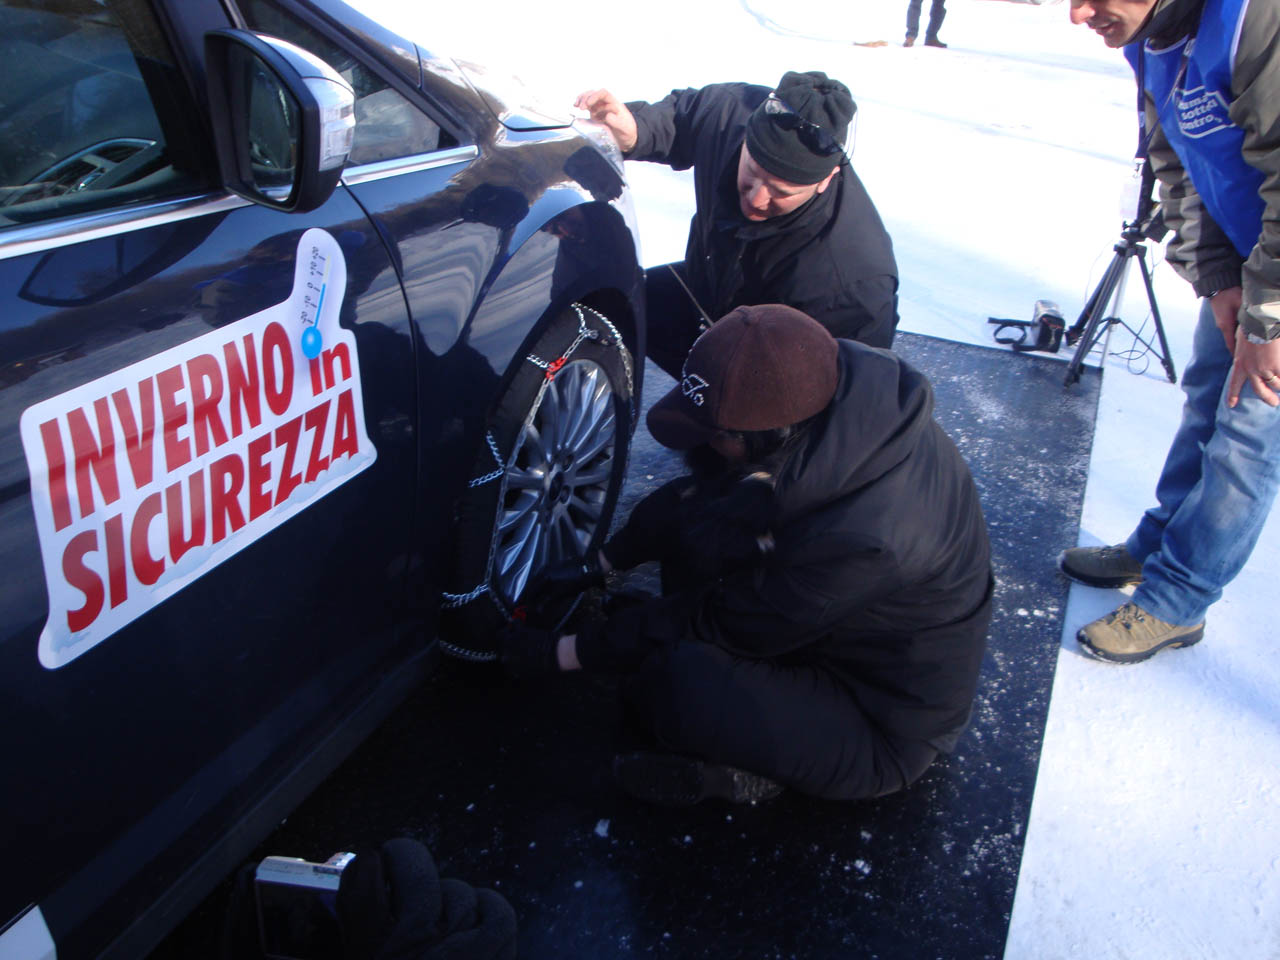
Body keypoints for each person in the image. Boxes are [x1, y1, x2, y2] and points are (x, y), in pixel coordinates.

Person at [502, 305, 993, 806]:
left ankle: (750, 778)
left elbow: (723, 621)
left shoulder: (868, 538)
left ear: (769, 438)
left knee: (677, 682)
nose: (703, 445)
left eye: (717, 434)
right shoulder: (824, 395)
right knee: (701, 541)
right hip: (821, 623)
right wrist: (601, 562)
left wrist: (569, 653)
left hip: (877, 717)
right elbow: (700, 496)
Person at [1059, 0, 1280, 663]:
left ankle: (1179, 601)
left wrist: (1266, 317)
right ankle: (1157, 545)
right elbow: (1177, 161)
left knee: (1247, 432)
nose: (1078, 13)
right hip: (1252, 256)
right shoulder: (1150, 36)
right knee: (1206, 400)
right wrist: (1217, 276)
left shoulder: (1257, 21)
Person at [575, 71, 899, 379]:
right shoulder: (731, 113)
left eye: (781, 191)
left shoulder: (853, 282)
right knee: (611, 305)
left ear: (825, 180)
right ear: (746, 137)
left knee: (711, 425)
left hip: (778, 370)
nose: (757, 199)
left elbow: (852, 396)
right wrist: (637, 130)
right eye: (753, 172)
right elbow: (685, 116)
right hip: (706, 293)